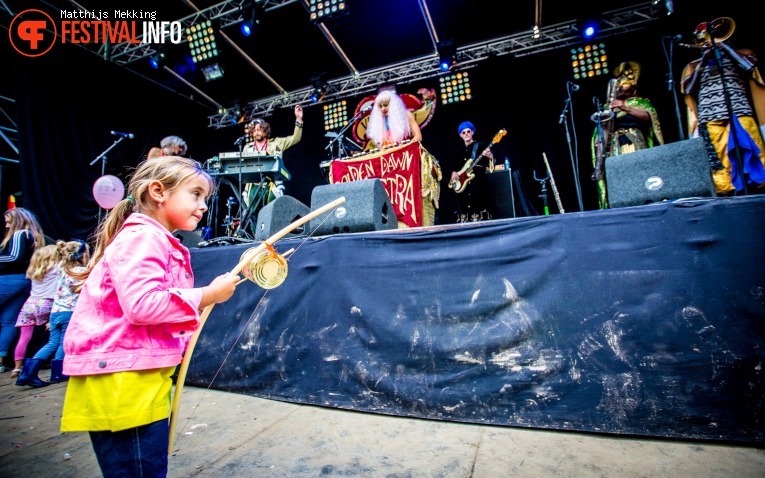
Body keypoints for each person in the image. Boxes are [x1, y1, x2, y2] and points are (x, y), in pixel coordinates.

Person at [59, 155, 240, 477]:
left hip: (134, 376)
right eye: (195, 194)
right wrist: (207, 295)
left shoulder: (153, 238)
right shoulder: (144, 237)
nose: (203, 206)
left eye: (205, 198)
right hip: (122, 382)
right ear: (159, 192)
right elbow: (143, 304)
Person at [680, 18, 765, 195]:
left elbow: (749, 66)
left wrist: (723, 48)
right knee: (720, 161)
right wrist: (704, 60)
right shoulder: (695, 65)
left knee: (754, 150)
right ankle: (728, 194)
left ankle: (759, 188)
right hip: (711, 116)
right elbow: (688, 87)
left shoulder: (739, 54)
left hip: (739, 110)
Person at [16, 240, 89, 388]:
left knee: (52, 343)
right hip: (69, 312)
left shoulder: (62, 270)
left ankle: (27, 372)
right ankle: (58, 372)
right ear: (82, 256)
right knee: (63, 343)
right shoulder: (81, 272)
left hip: (55, 313)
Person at [591, 61, 664, 209]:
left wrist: (625, 107)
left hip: (634, 141)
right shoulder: (609, 106)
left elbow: (647, 117)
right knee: (618, 178)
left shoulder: (640, 102)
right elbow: (600, 133)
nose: (621, 89)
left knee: (637, 174)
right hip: (614, 145)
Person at [238, 105, 304, 236]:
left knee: (273, 212)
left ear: (265, 131)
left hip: (271, 185)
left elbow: (295, 138)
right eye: (254, 130)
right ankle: (257, 239)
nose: (257, 132)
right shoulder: (247, 148)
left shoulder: (276, 143)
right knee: (252, 215)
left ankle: (274, 237)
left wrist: (299, 119)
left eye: (260, 130)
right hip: (253, 186)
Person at [0, 207, 45, 373]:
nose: (6, 225)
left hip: (7, 280)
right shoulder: (33, 237)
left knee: (9, 322)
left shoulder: (20, 234)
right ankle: (1, 360)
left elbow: (13, 257)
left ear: (18, 221)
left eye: (9, 222)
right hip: (23, 281)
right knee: (8, 321)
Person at [10, 244, 59, 380]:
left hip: (30, 304)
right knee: (55, 335)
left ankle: (17, 368)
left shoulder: (33, 270)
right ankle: (54, 363)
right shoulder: (56, 269)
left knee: (24, 338)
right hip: (48, 303)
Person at [446, 121, 495, 223]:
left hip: (478, 183)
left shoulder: (481, 146)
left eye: (468, 131)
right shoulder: (458, 151)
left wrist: (490, 157)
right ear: (460, 135)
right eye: (463, 132)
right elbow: (454, 168)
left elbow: (490, 165)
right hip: (463, 186)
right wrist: (453, 173)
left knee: (479, 206)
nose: (466, 134)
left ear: (472, 132)